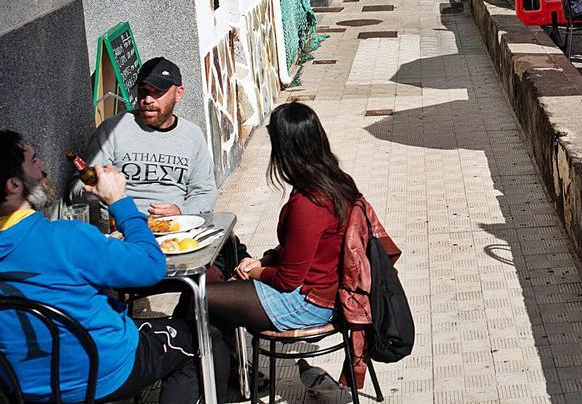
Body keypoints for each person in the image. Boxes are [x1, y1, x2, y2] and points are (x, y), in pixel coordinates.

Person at [0, 130, 227, 402]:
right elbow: (151, 266)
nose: (42, 167)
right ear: (13, 185)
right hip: (101, 373)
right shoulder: (66, 238)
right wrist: (119, 201)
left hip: (22, 387)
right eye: (34, 161)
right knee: (205, 339)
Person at [202, 102, 361, 334]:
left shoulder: (309, 202)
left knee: (198, 298)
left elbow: (288, 280)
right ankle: (227, 367)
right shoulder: (336, 180)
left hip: (310, 302)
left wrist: (252, 272)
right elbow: (302, 247)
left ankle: (195, 365)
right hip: (322, 292)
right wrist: (263, 261)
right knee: (213, 304)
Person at [71, 56, 216, 216]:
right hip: (121, 230)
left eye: (157, 93)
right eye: (143, 91)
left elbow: (204, 192)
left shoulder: (192, 135)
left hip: (176, 228)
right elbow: (75, 193)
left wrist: (182, 212)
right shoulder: (112, 130)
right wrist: (95, 190)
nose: (148, 100)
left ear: (178, 93)